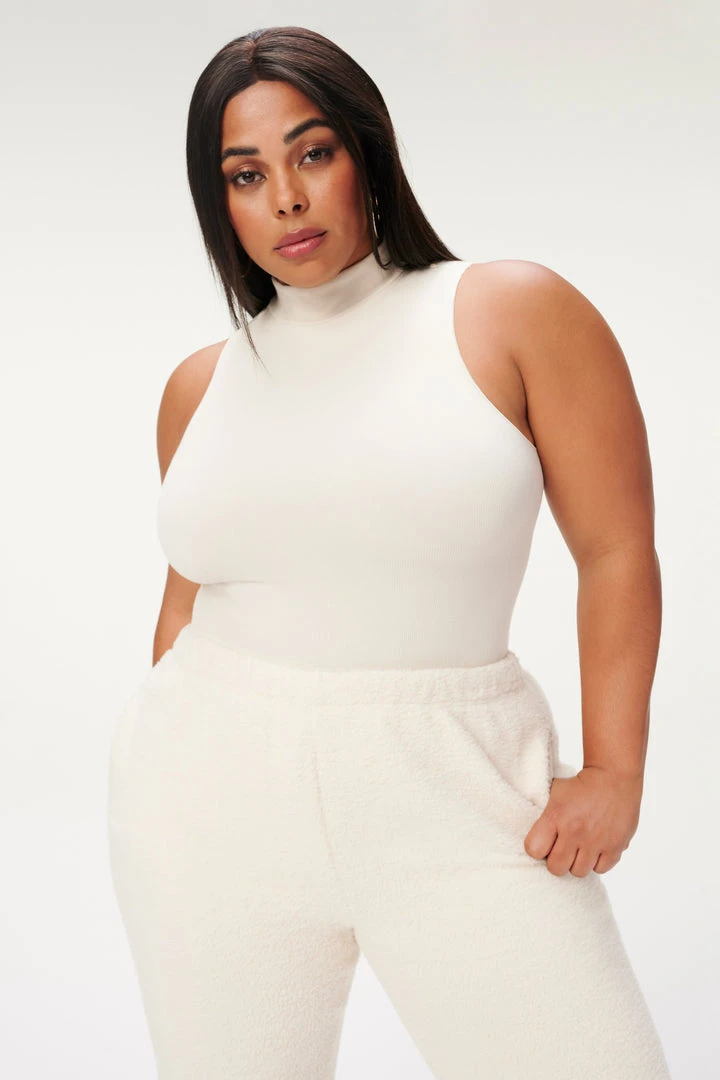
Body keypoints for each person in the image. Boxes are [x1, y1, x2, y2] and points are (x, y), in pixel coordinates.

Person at [106, 25, 673, 1080]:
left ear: (367, 151)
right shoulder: (201, 385)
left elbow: (616, 549)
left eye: (312, 152)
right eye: (245, 174)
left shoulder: (507, 312)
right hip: (208, 804)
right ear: (218, 202)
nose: (285, 197)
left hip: (458, 788)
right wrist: (164, 764)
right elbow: (187, 598)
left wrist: (614, 770)